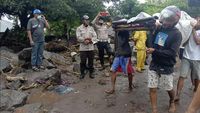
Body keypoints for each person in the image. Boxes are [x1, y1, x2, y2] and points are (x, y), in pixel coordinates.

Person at [146, 6, 182, 113]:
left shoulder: (176, 34)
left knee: (168, 87)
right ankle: (154, 110)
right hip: (155, 63)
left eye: (168, 21)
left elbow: (172, 53)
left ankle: (172, 101)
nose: (165, 22)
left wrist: (154, 51)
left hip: (167, 64)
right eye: (165, 20)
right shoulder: (159, 28)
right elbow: (151, 43)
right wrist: (152, 31)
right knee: (152, 88)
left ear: (174, 22)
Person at [175, 17, 200, 102]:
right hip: (186, 56)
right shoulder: (189, 31)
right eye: (197, 20)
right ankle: (177, 95)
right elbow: (184, 42)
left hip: (197, 58)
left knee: (197, 77)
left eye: (199, 21)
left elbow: (198, 41)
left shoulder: (195, 31)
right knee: (182, 76)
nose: (197, 22)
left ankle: (196, 91)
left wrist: (192, 29)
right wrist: (187, 34)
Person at [105, 30, 134, 94]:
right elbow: (116, 44)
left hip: (125, 54)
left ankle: (130, 87)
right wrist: (114, 53)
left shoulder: (124, 31)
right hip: (118, 54)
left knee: (128, 72)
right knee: (112, 71)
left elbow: (121, 42)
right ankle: (112, 89)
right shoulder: (116, 32)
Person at [76, 15, 97, 79]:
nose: (87, 21)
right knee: (83, 61)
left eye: (88, 20)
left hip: (91, 47)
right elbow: (78, 37)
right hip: (83, 48)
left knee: (91, 61)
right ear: (83, 20)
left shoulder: (91, 28)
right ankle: (82, 73)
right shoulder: (79, 28)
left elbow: (95, 36)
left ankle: (91, 73)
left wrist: (91, 40)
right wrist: (84, 40)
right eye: (85, 20)